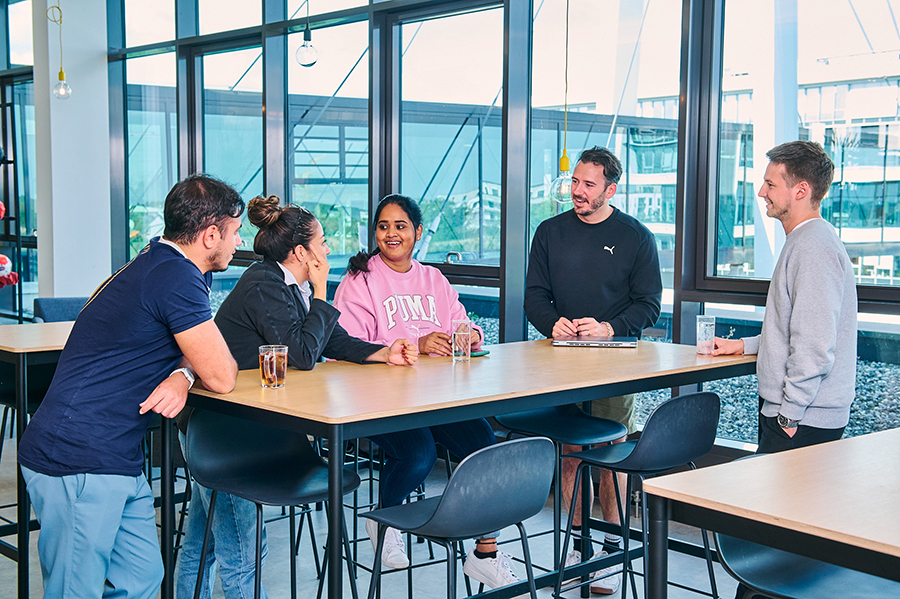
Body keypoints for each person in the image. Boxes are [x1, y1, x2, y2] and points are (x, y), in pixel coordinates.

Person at [175, 195, 417, 599]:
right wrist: (321, 290)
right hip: (222, 432)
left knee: (205, 544)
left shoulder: (288, 284)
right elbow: (302, 355)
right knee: (242, 551)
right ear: (301, 252)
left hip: (246, 424)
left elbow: (329, 339)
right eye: (321, 243)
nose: (327, 249)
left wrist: (382, 352)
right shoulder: (263, 284)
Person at [17, 174, 243, 599]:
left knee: (141, 578)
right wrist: (193, 369)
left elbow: (193, 352)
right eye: (234, 232)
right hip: (77, 458)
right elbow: (221, 375)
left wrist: (181, 375)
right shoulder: (175, 276)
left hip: (115, 454)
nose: (238, 242)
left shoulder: (165, 262)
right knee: (74, 592)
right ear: (210, 235)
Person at [333, 195, 513, 591]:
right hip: (379, 400)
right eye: (383, 226)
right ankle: (385, 520)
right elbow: (346, 345)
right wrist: (417, 341)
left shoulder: (434, 279)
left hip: (437, 397)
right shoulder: (360, 280)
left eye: (400, 226)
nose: (391, 234)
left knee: (486, 448)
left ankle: (485, 553)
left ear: (417, 232)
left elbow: (462, 323)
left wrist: (468, 335)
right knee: (418, 453)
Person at [711, 142, 857, 599]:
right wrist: (745, 345)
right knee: (779, 544)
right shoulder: (806, 242)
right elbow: (795, 329)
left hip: (801, 419)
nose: (761, 192)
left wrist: (788, 413)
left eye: (770, 184)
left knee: (774, 548)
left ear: (801, 190)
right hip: (800, 415)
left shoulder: (812, 248)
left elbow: (814, 348)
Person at [523, 146, 662, 595]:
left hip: (614, 363)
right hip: (560, 362)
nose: (577, 191)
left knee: (611, 453)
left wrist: (608, 328)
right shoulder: (549, 232)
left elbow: (650, 305)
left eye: (588, 184)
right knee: (569, 452)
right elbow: (534, 297)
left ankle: (611, 550)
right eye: (574, 182)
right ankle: (578, 549)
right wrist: (552, 323)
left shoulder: (636, 236)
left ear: (610, 190)